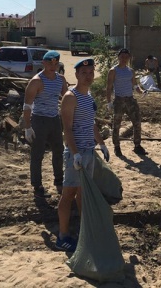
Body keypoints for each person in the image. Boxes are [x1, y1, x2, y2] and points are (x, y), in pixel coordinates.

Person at [57, 58, 109, 252]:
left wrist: (102, 144)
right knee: (68, 194)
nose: (88, 76)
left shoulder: (89, 97)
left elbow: (91, 124)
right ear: (77, 75)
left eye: (91, 73)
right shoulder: (71, 96)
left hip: (89, 151)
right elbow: (67, 129)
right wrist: (75, 153)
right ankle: (62, 236)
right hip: (76, 153)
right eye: (84, 73)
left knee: (83, 193)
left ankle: (84, 230)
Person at [23, 50, 68, 199]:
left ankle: (59, 181)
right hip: (39, 120)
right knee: (38, 153)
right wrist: (28, 127)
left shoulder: (60, 79)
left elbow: (66, 99)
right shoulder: (37, 81)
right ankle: (37, 185)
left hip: (54, 119)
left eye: (55, 63)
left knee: (58, 151)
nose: (52, 66)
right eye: (49, 63)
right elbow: (27, 106)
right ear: (43, 63)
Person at [106, 48, 147, 158]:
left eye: (126, 57)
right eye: (122, 57)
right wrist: (109, 102)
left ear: (129, 58)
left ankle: (137, 145)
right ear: (118, 57)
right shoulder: (113, 71)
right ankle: (117, 147)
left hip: (130, 100)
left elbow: (134, 85)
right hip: (119, 100)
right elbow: (109, 87)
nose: (124, 59)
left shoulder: (131, 71)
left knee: (137, 122)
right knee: (117, 125)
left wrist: (141, 91)